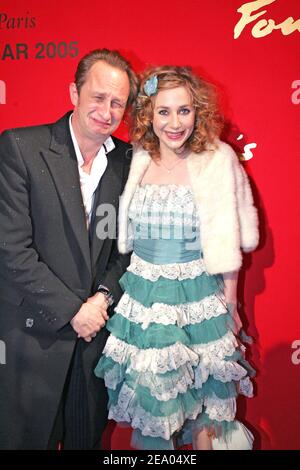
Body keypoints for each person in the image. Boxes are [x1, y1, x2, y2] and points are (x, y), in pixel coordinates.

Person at [94, 66, 259, 450]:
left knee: (205, 410)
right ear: (149, 114)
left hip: (199, 296)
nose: (174, 122)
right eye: (164, 111)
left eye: (184, 111)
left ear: (197, 112)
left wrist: (231, 305)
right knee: (154, 407)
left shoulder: (217, 158)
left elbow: (226, 237)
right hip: (144, 298)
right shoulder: (136, 159)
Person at [0, 48, 138, 450]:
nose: (107, 111)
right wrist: (72, 310)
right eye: (98, 97)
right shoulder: (21, 147)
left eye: (118, 103)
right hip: (30, 340)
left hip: (94, 341)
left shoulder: (127, 162)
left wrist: (101, 300)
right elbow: (11, 248)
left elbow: (126, 249)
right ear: (74, 93)